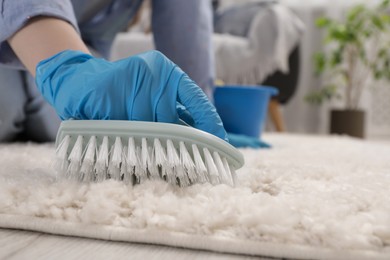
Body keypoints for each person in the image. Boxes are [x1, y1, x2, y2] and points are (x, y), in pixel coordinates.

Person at [0, 0, 264, 148]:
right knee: (7, 108)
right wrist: (65, 66)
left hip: (86, 64)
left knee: (109, 122)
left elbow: (187, 23)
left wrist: (196, 116)